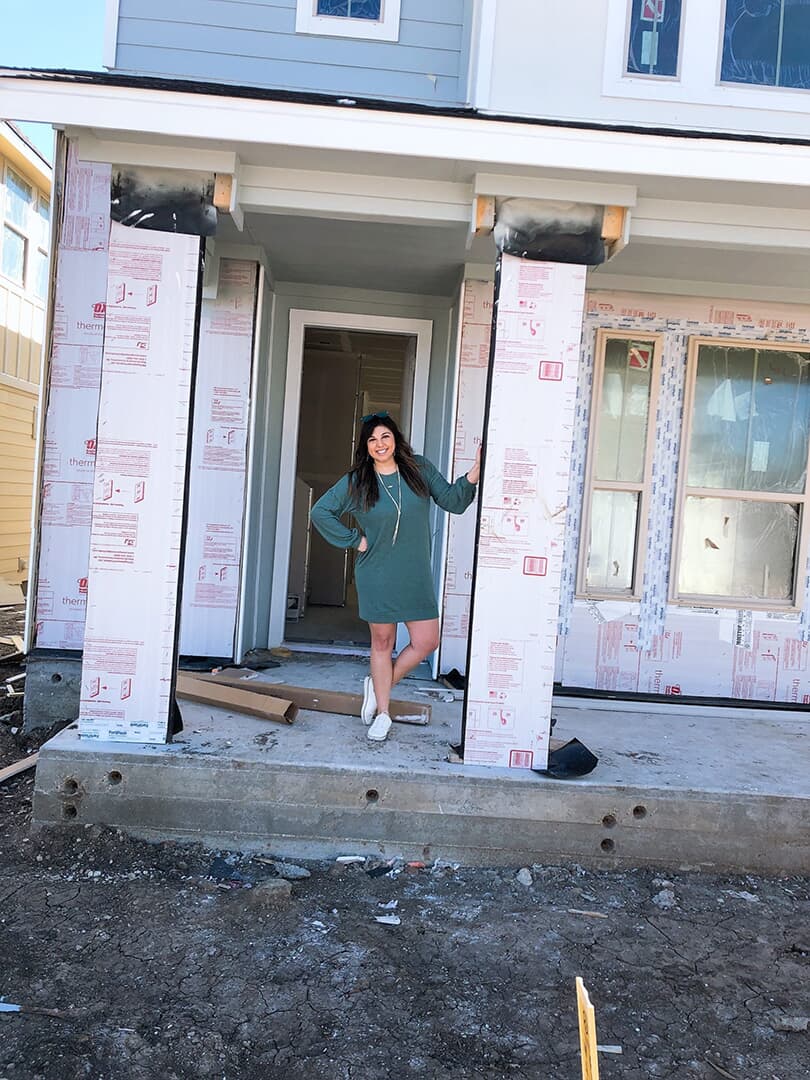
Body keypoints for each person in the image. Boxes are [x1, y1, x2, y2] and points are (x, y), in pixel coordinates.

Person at [310, 412, 480, 743]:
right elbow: (320, 512)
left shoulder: (418, 469)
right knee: (383, 643)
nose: (380, 444)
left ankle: (378, 685)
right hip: (377, 573)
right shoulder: (358, 482)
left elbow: (452, 501)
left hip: (415, 573)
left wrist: (474, 472)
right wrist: (354, 540)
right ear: (366, 446)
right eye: (372, 440)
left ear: (395, 439)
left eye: (385, 436)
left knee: (427, 641)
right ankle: (383, 713)